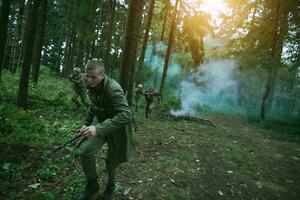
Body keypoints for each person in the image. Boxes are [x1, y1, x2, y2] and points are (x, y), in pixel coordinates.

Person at [76, 60, 135, 200]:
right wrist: (86, 124)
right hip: (100, 122)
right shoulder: (90, 83)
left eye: (93, 77)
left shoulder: (113, 88)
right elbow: (92, 106)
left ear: (102, 75)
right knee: (85, 151)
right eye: (87, 76)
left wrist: (97, 129)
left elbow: (126, 115)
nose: (89, 80)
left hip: (117, 127)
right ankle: (92, 185)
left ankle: (111, 185)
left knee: (111, 162)